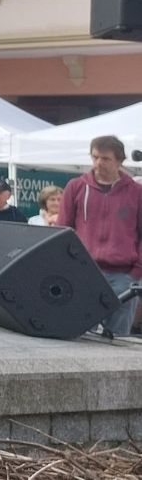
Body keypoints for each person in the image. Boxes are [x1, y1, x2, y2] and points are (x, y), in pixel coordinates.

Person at [54, 135, 142, 337]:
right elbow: (62, 231)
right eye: (94, 157)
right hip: (83, 272)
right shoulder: (75, 187)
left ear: (120, 161)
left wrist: (136, 273)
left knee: (117, 340)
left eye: (105, 158)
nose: (98, 163)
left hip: (123, 275)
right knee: (77, 334)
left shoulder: (137, 192)